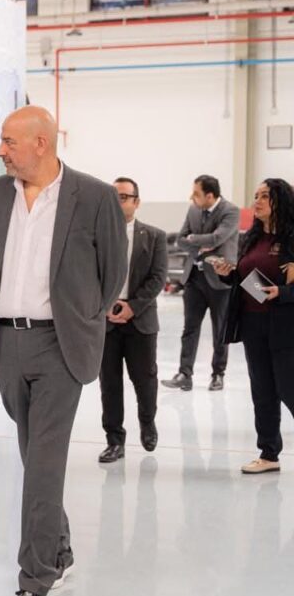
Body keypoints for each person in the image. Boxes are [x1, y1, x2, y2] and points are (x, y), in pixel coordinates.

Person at [0, 106, 127, 596]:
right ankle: (59, 548)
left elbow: (113, 274)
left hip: (59, 346)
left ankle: (33, 582)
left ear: (40, 143)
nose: (1, 151)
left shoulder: (95, 196)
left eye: (9, 142)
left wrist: (78, 321)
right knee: (34, 459)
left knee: (43, 464)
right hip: (6, 343)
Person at [212, 178, 294, 474]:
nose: (256, 201)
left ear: (280, 201)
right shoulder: (251, 238)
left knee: (288, 388)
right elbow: (246, 278)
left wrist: (282, 292)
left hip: (286, 325)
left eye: (264, 196)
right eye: (255, 195)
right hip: (252, 323)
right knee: (263, 391)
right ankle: (269, 454)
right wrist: (227, 273)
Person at [98, 178, 168, 464]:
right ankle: (114, 440)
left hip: (141, 320)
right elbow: (90, 275)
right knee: (109, 383)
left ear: (136, 202)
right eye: (113, 196)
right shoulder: (98, 235)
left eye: (124, 197)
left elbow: (158, 278)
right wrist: (104, 306)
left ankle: (147, 422)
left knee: (145, 379)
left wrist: (133, 307)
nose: (118, 202)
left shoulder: (155, 236)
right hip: (106, 321)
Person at [161, 175, 239, 392]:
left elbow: (217, 238)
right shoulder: (193, 209)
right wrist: (199, 244)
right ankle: (184, 374)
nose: (191, 197)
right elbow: (180, 240)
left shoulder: (231, 211)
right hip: (194, 278)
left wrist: (193, 239)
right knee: (190, 328)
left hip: (220, 279)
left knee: (220, 330)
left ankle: (218, 374)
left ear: (210, 196)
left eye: (196, 193)